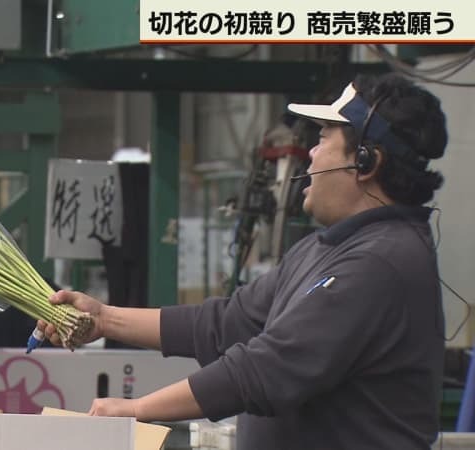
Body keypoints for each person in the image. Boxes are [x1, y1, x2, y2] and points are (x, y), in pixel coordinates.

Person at [38, 73, 448, 450]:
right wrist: (104, 319)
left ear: (365, 161)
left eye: (323, 138)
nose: (310, 154)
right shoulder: (323, 248)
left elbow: (267, 370)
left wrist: (136, 410)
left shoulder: (381, 262)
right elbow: (226, 323)